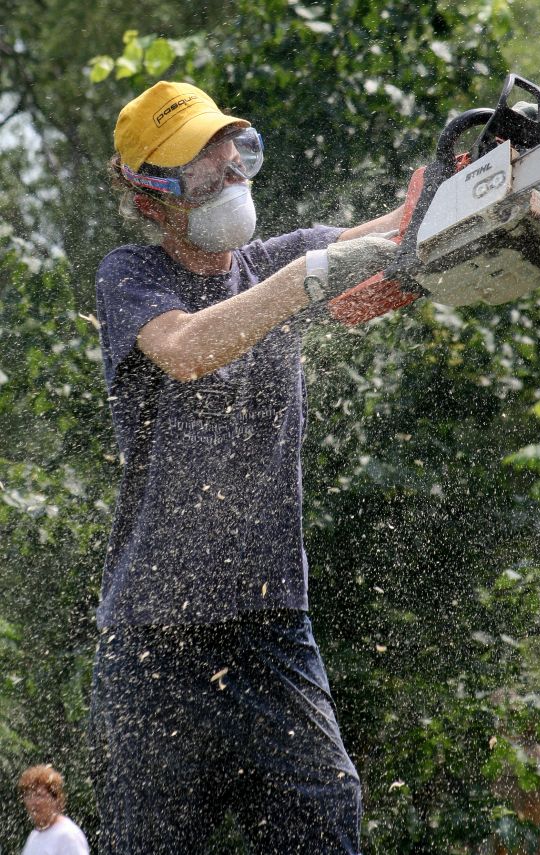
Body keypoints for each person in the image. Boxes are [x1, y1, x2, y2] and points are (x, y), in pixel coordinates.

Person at [89, 79, 404, 854]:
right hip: (153, 643)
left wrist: (486, 186)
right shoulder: (134, 275)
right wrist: (304, 282)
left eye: (232, 151)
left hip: (269, 624)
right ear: (151, 198)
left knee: (330, 813)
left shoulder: (277, 257)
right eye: (202, 164)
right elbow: (189, 349)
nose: (229, 171)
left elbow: (397, 232)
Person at [18, 765, 89, 855]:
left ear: (56, 799)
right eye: (28, 796)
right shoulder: (34, 836)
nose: (34, 802)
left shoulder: (68, 835)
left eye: (40, 795)